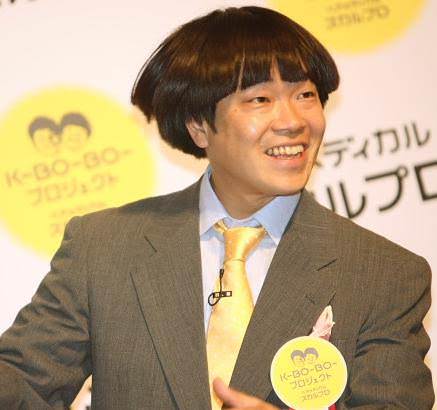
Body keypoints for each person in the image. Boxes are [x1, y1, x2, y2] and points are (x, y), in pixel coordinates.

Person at [0, 6, 433, 409]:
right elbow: (22, 384)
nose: (293, 121)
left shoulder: (384, 275)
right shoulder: (103, 248)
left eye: (305, 94)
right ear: (199, 127)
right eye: (260, 100)